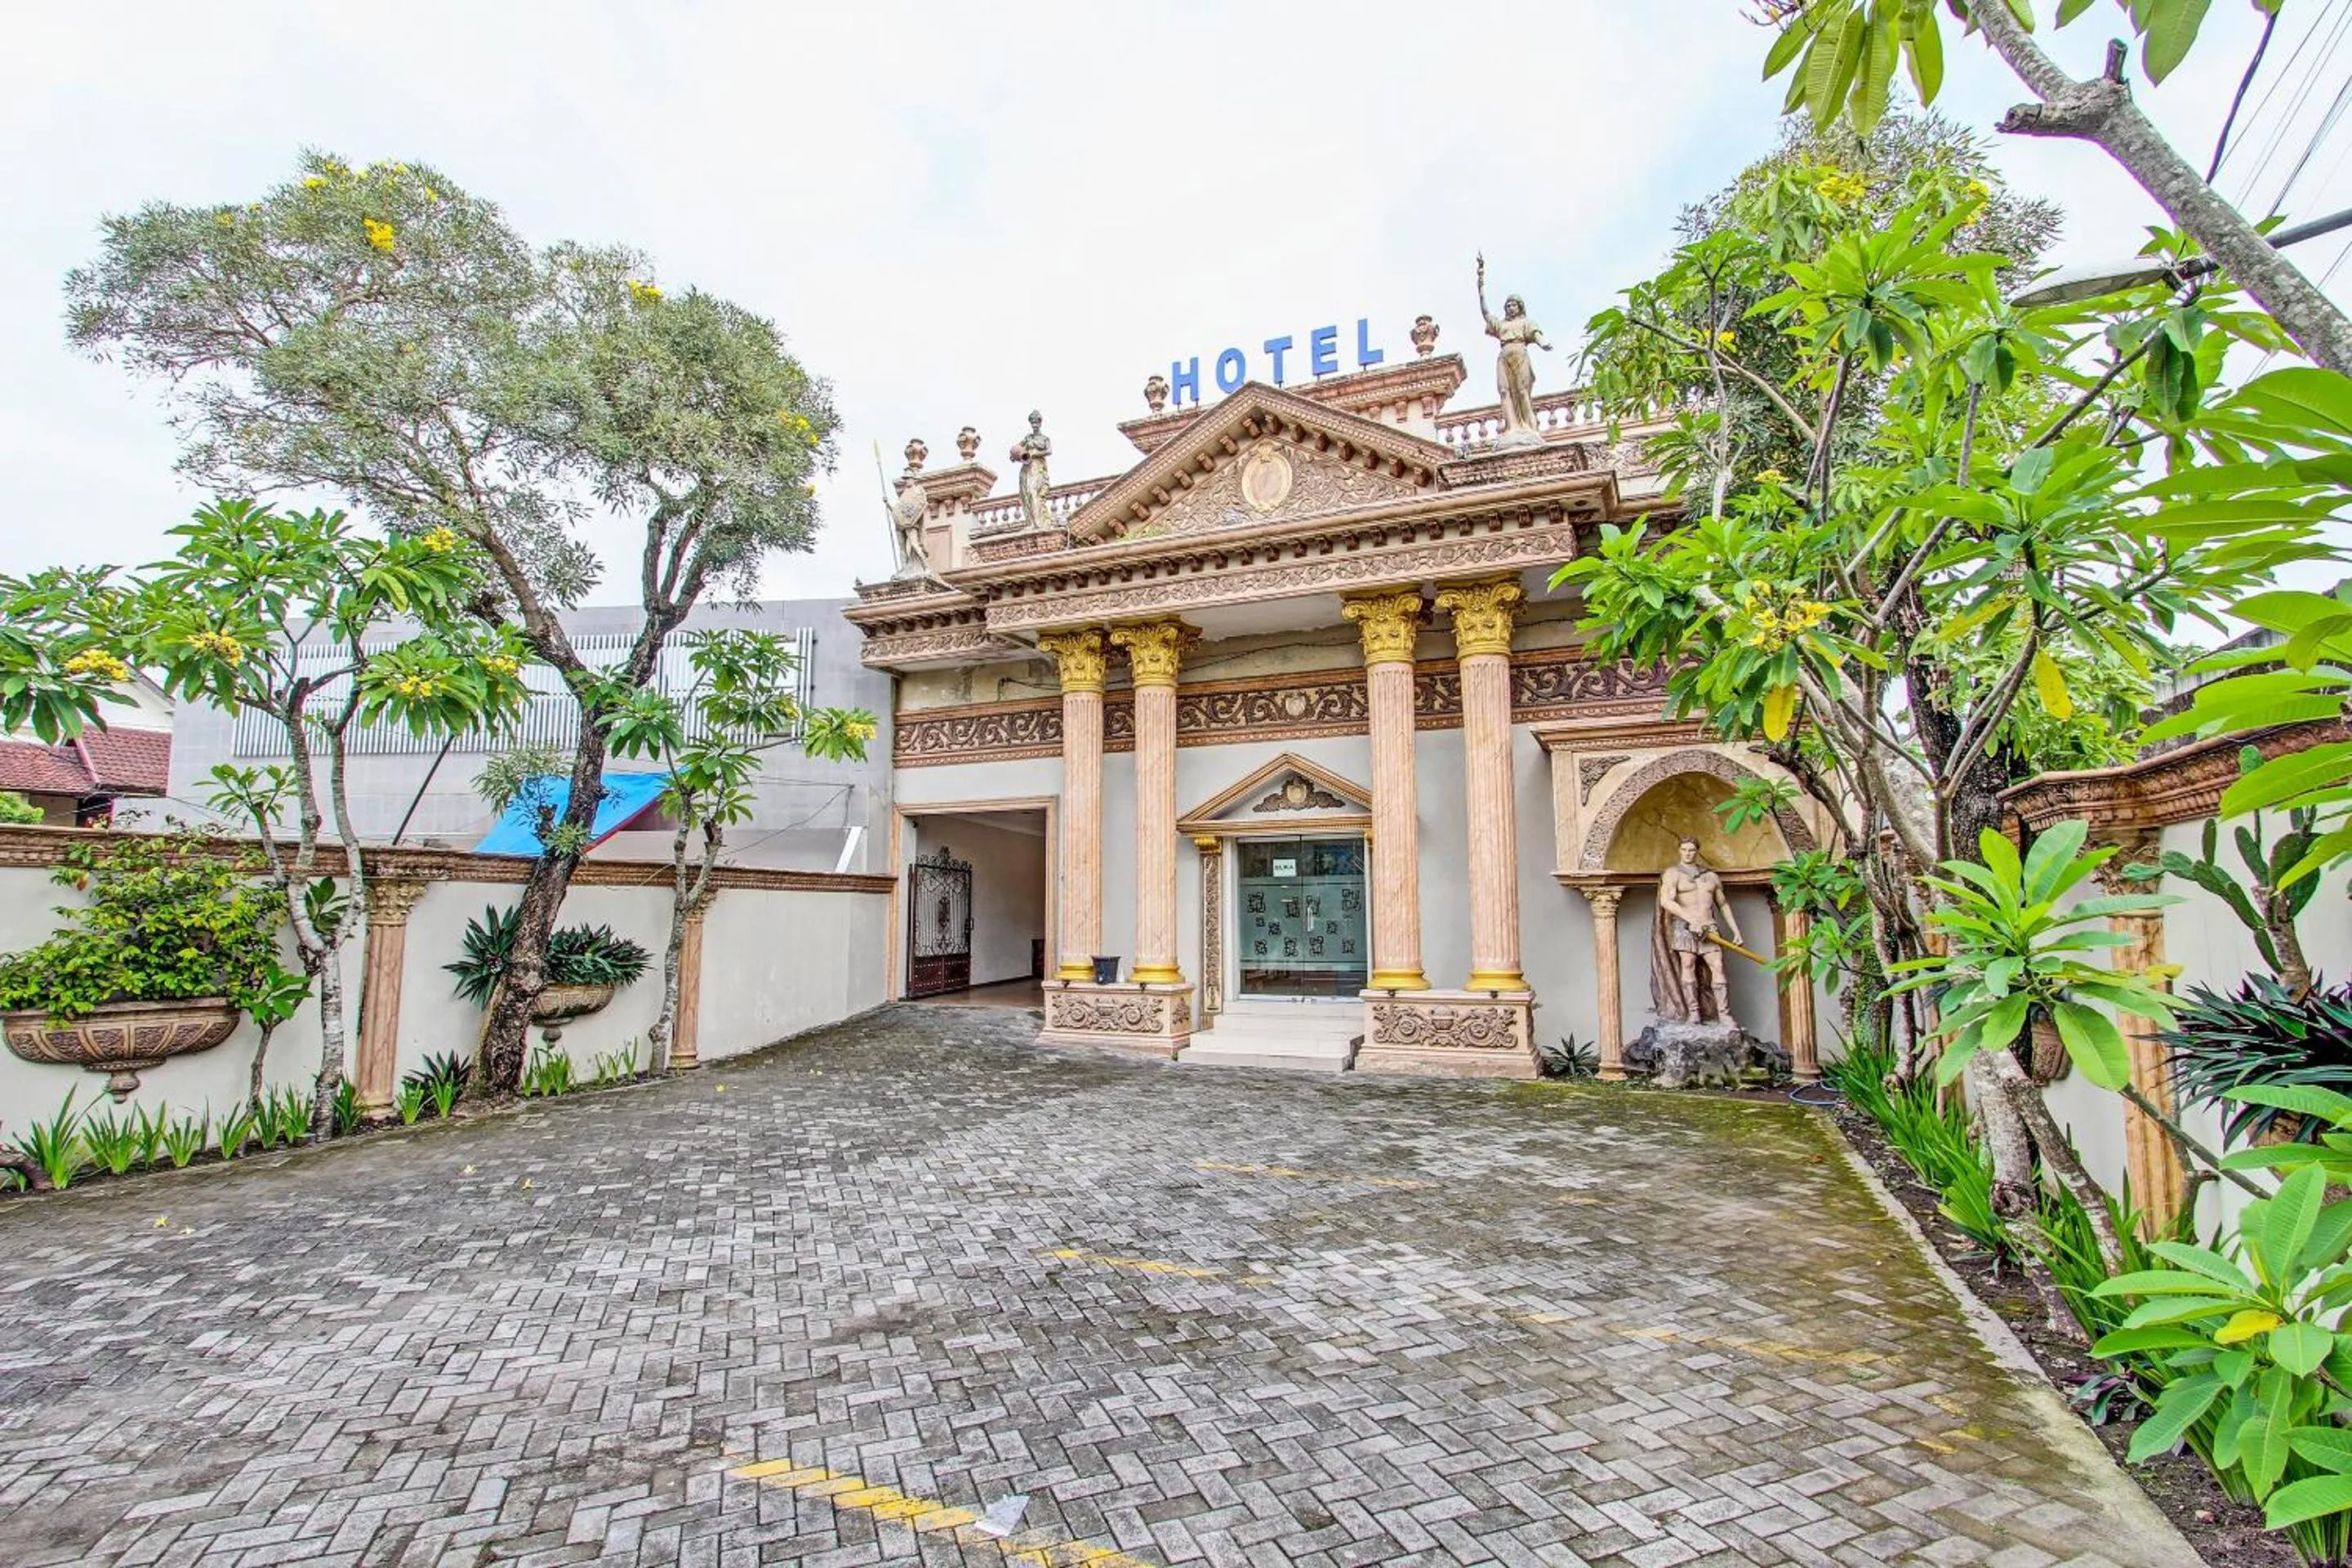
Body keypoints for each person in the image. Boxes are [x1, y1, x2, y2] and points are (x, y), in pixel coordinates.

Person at [1656, 837, 1742, 1027]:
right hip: (1685, 927)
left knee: (1718, 966)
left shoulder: (1710, 876)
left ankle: (1724, 1014)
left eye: (1692, 850)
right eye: (1685, 849)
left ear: (1697, 851)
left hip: (1709, 927)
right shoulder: (1672, 874)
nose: (1688, 853)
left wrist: (1736, 931)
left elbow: (1723, 904)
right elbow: (1666, 901)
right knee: (1688, 964)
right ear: (1679, 851)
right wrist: (1691, 920)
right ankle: (1693, 1012)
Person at [1476, 253, 1551, 443]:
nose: (1510, 308)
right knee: (1504, 391)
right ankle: (1511, 427)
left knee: (1522, 391)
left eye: (1513, 305)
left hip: (1520, 352)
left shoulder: (1526, 322)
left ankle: (1529, 427)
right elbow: (1486, 313)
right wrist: (1481, 286)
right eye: (1508, 305)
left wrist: (1543, 343)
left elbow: (1535, 334)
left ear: (1520, 307)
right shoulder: (1501, 325)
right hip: (1504, 355)